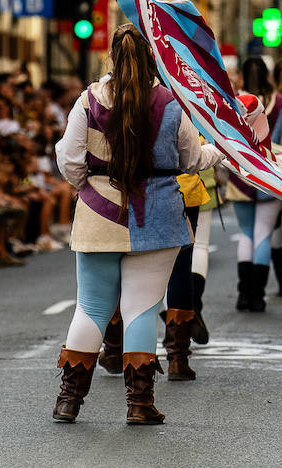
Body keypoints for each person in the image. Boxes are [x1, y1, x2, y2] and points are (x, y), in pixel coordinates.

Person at [50, 25, 223, 425]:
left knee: (90, 308)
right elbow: (192, 160)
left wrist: (90, 188)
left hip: (97, 214)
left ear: (112, 56)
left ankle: (69, 400)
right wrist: (227, 152)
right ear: (151, 59)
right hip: (158, 215)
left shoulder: (88, 99)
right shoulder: (169, 101)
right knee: (141, 310)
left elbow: (69, 158)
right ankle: (140, 404)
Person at [222, 57, 282, 312]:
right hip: (270, 179)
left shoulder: (233, 103)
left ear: (243, 76)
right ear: (268, 75)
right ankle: (258, 295)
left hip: (240, 177)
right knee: (263, 234)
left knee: (246, 234)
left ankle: (243, 292)